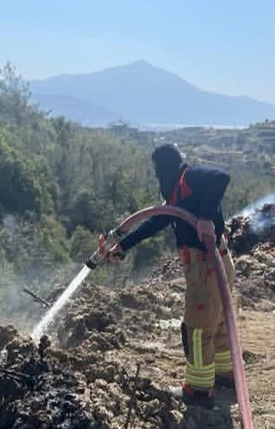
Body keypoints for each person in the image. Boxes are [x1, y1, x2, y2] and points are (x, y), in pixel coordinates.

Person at [101, 144, 236, 405]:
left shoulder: (191, 177)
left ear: (164, 167)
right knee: (218, 322)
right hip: (218, 262)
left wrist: (206, 218)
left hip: (206, 268)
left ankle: (198, 390)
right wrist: (124, 245)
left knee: (197, 329)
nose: (155, 175)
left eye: (156, 169)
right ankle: (225, 374)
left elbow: (221, 177)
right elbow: (157, 219)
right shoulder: (179, 195)